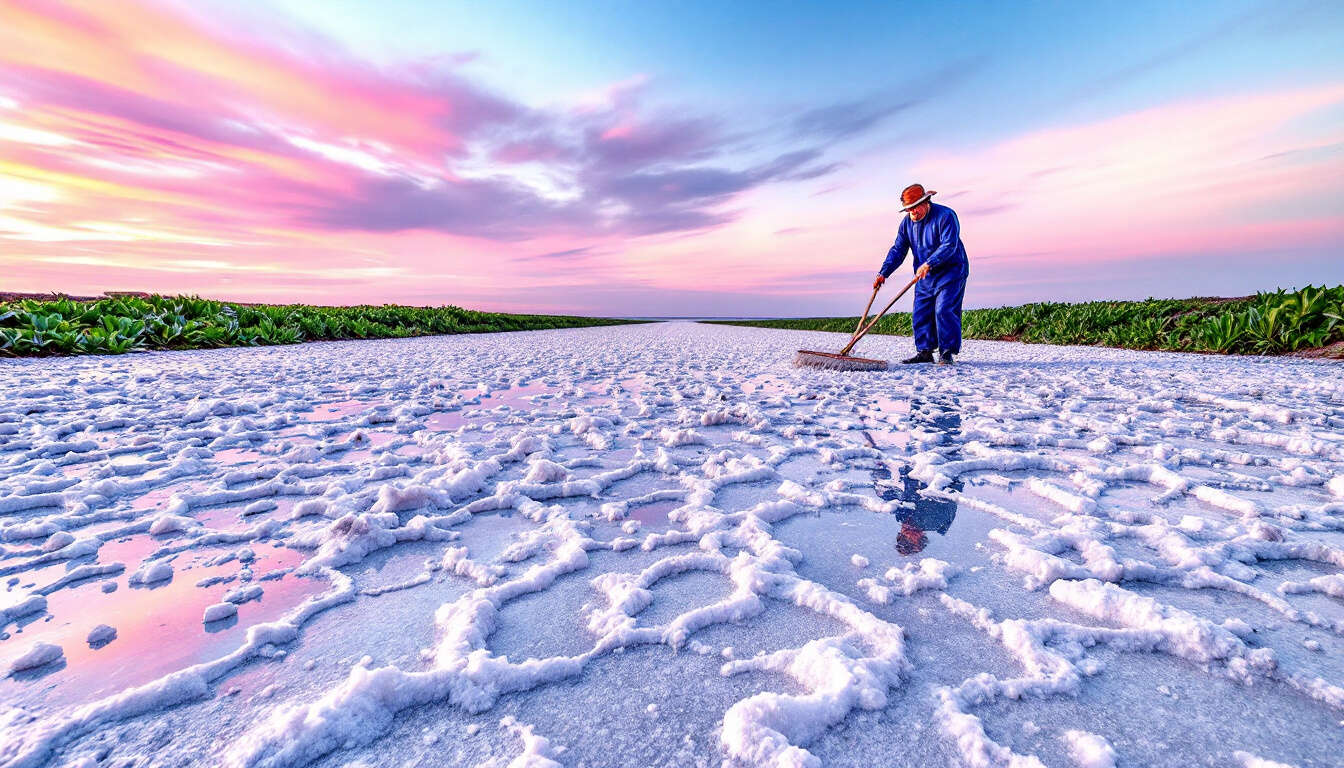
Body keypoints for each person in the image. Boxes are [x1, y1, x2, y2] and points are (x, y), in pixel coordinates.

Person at [873, 183, 970, 365]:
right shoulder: (906, 224)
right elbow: (898, 250)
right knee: (921, 312)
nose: (913, 212)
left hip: (951, 272)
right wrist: (883, 272)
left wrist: (929, 263)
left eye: (915, 207)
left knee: (944, 309)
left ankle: (946, 352)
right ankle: (925, 352)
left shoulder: (946, 216)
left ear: (926, 202)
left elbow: (949, 245)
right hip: (924, 275)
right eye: (909, 209)